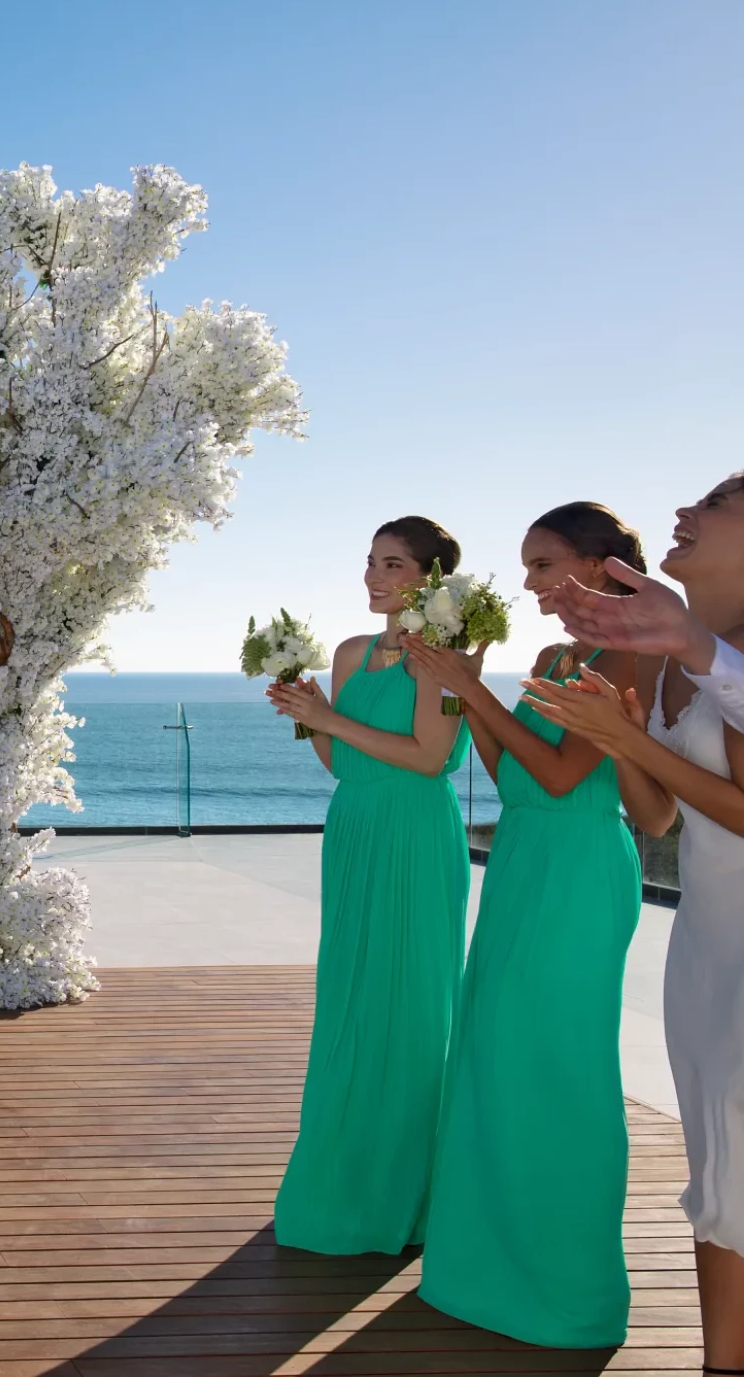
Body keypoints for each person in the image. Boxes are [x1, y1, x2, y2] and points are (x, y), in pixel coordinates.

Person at [402, 503, 645, 1347]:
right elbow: (514, 780)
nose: (531, 583)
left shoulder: (636, 659)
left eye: (543, 564)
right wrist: (464, 698)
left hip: (578, 872)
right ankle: (484, 1269)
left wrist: (475, 691)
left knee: (559, 1063)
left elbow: (567, 779)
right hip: (522, 861)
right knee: (497, 1049)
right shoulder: (555, 656)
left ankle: (566, 1290)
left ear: (601, 562)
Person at [523, 472, 744, 1372]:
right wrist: (620, 734)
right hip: (705, 948)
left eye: (717, 504)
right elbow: (656, 818)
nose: (683, 514)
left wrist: (625, 741)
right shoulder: (686, 666)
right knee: (719, 1177)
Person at [265, 515, 471, 1255]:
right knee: (351, 997)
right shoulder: (352, 655)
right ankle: (342, 1177)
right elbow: (342, 765)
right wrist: (307, 714)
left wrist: (328, 717)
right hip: (353, 829)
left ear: (431, 578)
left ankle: (404, 1192)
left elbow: (428, 758)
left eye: (394, 564)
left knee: (409, 1004)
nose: (376, 577)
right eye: (372, 562)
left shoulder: (447, 656)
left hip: (416, 839)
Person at [554, 553, 744, 732]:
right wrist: (614, 734)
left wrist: (622, 736)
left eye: (542, 565)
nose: (680, 515)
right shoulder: (655, 658)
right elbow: (637, 761)